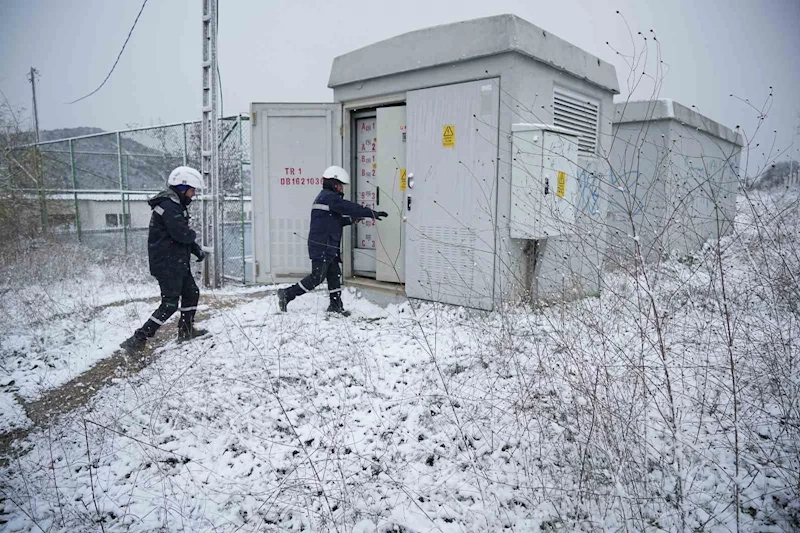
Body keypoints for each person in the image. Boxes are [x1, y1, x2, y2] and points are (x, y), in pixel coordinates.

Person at [120, 166, 209, 353]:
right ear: (182, 188)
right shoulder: (169, 207)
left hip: (176, 261)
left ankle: (186, 331)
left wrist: (196, 249)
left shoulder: (175, 205)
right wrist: (193, 237)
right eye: (192, 190)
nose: (193, 195)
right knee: (169, 304)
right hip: (167, 264)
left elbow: (181, 236)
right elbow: (182, 234)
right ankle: (138, 339)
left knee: (191, 292)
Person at [278, 165, 388, 316]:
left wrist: (351, 220)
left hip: (328, 245)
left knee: (334, 274)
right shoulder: (329, 198)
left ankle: (336, 306)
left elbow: (334, 221)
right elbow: (348, 207)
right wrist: (371, 213)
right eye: (340, 185)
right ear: (334, 184)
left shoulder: (326, 198)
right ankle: (287, 294)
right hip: (322, 245)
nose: (342, 189)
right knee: (317, 277)